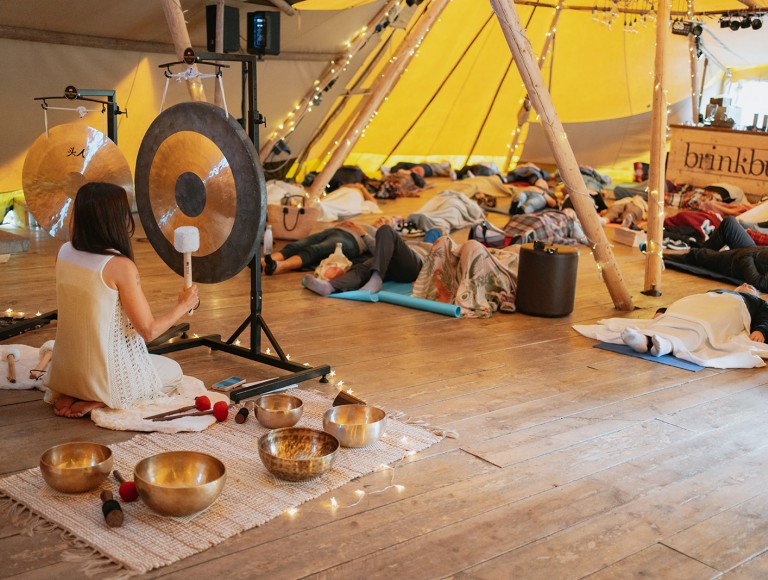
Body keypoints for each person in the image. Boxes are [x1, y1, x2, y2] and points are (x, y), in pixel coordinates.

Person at [44, 182, 199, 418]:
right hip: (104, 377)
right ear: (117, 219)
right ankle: (101, 399)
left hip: (65, 373)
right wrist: (183, 305)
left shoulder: (64, 251)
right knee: (172, 371)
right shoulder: (120, 267)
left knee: (141, 361)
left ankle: (75, 391)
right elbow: (148, 331)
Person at [302, 218, 427, 295]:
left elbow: (440, 261)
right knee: (366, 265)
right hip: (390, 265)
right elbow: (376, 250)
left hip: (414, 266)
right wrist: (362, 233)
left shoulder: (428, 246)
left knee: (385, 229)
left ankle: (376, 279)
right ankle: (329, 287)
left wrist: (426, 277)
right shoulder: (400, 241)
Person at [680, 216, 768, 291]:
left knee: (699, 254)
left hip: (740, 261)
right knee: (729, 223)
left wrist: (747, 258)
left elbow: (757, 282)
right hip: (753, 250)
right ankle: (701, 257)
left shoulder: (745, 259)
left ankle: (699, 256)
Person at [264, 221, 375, 275]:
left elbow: (376, 250)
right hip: (334, 231)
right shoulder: (366, 223)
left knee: (315, 250)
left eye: (386, 221)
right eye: (382, 218)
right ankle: (264, 262)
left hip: (351, 241)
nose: (382, 220)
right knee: (297, 245)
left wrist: (362, 232)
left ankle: (280, 266)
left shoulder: (381, 234)